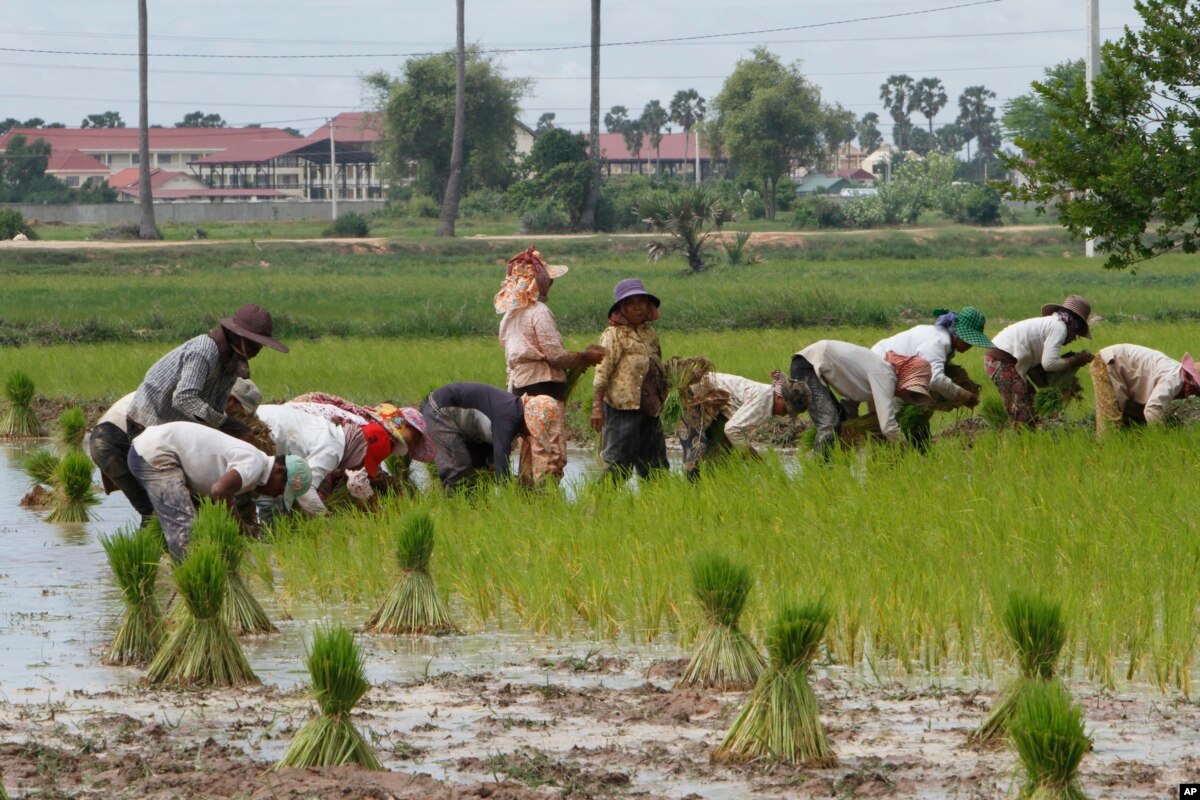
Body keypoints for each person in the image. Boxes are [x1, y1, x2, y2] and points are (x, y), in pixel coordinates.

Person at [127, 421, 311, 560]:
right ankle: (192, 583)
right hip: (157, 452)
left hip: (153, 449)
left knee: (199, 527)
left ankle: (184, 573)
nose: (277, 495)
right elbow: (220, 491)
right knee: (184, 527)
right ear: (280, 470)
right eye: (281, 489)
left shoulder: (254, 468)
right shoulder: (255, 463)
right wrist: (242, 530)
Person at [496, 247, 605, 482]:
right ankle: (546, 503)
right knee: (550, 455)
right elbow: (556, 355)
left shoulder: (509, 316)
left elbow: (509, 359)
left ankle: (526, 502)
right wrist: (585, 357)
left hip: (519, 393)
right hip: (542, 394)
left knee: (529, 453)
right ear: (541, 283)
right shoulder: (539, 311)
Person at [126, 303, 287, 438]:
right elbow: (183, 398)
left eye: (261, 344)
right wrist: (225, 423)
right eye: (255, 342)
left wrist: (229, 428)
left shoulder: (233, 363)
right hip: (150, 421)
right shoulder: (204, 351)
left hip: (177, 428)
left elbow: (218, 406)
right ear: (239, 336)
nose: (258, 348)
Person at [790, 340, 932, 459]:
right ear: (906, 381)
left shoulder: (883, 373)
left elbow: (849, 404)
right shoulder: (885, 375)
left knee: (840, 421)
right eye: (910, 392)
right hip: (808, 363)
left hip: (815, 362)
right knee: (829, 425)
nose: (908, 397)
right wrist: (911, 454)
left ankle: (835, 468)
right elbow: (887, 426)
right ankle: (818, 472)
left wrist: (852, 428)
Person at [420, 382, 564, 491]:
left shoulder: (514, 414)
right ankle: (455, 514)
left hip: (467, 426)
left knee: (479, 468)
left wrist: (490, 461)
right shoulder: (510, 415)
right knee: (458, 469)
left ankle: (472, 509)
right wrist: (508, 494)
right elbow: (501, 458)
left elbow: (494, 449)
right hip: (438, 410)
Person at [591, 279, 668, 481]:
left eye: (641, 302)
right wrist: (597, 406)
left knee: (656, 464)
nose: (637, 307)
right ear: (621, 308)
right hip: (622, 407)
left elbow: (658, 365)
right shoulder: (613, 334)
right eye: (631, 303)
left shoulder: (649, 333)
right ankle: (597, 506)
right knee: (618, 462)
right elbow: (602, 371)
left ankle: (656, 505)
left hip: (650, 407)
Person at [256, 404, 392, 514]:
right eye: (363, 462)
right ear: (359, 451)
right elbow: (304, 490)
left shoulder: (331, 430)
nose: (358, 468)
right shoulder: (331, 450)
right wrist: (326, 520)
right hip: (259, 431)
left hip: (259, 419)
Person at [677, 367, 810, 479]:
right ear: (780, 398)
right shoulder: (764, 401)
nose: (785, 414)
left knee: (722, 455)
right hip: (698, 395)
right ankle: (692, 488)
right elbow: (732, 430)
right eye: (787, 409)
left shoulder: (767, 400)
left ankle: (711, 485)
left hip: (717, 406)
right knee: (697, 449)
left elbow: (737, 431)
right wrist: (752, 456)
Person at [985, 295, 1094, 428]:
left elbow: (1036, 369)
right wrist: (1075, 360)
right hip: (1001, 360)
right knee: (1022, 412)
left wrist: (1051, 397)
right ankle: (1018, 443)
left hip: (1001, 359)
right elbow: (1049, 364)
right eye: (1077, 333)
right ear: (1076, 324)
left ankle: (1027, 438)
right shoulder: (1059, 327)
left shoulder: (1051, 324)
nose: (1075, 338)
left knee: (1031, 404)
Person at [872, 306, 993, 409]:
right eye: (968, 340)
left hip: (889, 369)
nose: (970, 345)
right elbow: (935, 379)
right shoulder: (937, 342)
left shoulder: (941, 339)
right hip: (881, 367)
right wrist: (964, 396)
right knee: (892, 414)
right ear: (958, 333)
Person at [1091, 344, 1200, 435]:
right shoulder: (1174, 380)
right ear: (1192, 381)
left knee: (1136, 423)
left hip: (1124, 371)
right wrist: (1162, 437)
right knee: (1109, 425)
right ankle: (1103, 452)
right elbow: (1152, 409)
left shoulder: (1177, 374)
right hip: (1106, 363)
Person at [88, 392, 153, 523]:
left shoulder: (148, 391)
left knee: (150, 508)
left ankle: (148, 541)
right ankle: (147, 542)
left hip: (99, 441)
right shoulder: (161, 399)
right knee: (151, 510)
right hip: (111, 443)